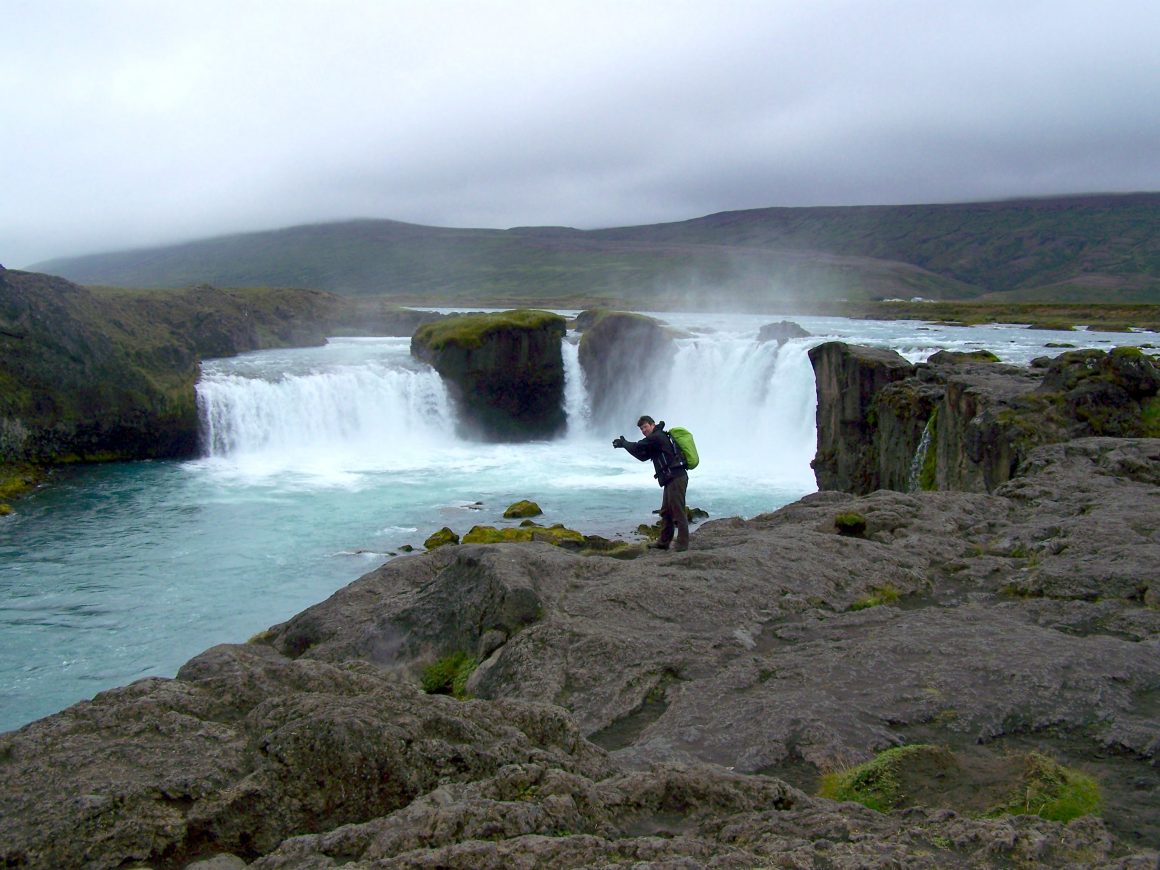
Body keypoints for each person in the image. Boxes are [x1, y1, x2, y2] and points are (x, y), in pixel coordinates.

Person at [613, 415, 689, 551]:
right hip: (670, 478)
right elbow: (642, 456)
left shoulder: (657, 437)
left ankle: (682, 544)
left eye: (645, 427)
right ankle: (663, 542)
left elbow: (637, 446)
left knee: (678, 510)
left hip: (677, 477)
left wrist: (624, 443)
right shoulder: (655, 440)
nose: (643, 430)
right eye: (641, 428)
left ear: (653, 425)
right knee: (666, 511)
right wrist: (624, 446)